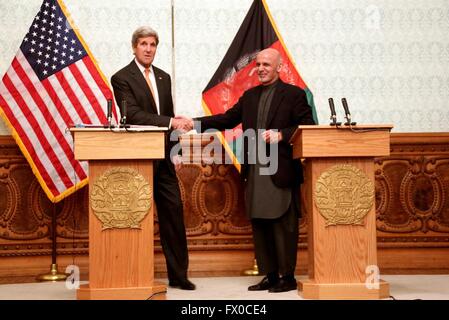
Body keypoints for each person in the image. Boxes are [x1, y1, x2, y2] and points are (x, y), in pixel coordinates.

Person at [181, 48, 315, 292]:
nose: (261, 68)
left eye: (266, 64)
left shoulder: (294, 95)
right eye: (258, 64)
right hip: (255, 169)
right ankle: (271, 274)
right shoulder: (250, 96)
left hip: (281, 169)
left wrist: (282, 135)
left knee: (283, 225)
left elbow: (308, 125)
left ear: (278, 68)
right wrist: (195, 123)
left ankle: (288, 277)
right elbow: (227, 119)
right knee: (261, 223)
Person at [111, 26, 195, 290]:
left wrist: (176, 151)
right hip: (137, 158)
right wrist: (172, 122)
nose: (149, 49)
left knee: (173, 214)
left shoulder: (163, 77)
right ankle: (131, 274)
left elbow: (167, 113)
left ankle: (179, 277)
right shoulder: (121, 77)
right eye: (144, 44)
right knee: (135, 215)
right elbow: (133, 114)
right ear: (134, 47)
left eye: (153, 45)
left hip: (164, 157)